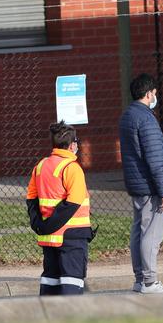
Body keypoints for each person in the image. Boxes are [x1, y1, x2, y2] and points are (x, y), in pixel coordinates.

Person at [119, 73, 163, 294]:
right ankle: (150, 281)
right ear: (149, 93)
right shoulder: (146, 118)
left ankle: (140, 279)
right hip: (150, 187)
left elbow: (150, 147)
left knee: (139, 231)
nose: (155, 97)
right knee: (152, 234)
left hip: (137, 183)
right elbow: (154, 158)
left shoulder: (129, 115)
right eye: (155, 94)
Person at [26, 121, 92, 295]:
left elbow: (31, 198)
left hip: (49, 237)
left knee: (50, 282)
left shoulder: (40, 166)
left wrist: (39, 224)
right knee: (71, 282)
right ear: (72, 145)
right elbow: (73, 203)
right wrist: (51, 225)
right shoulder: (71, 168)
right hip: (71, 236)